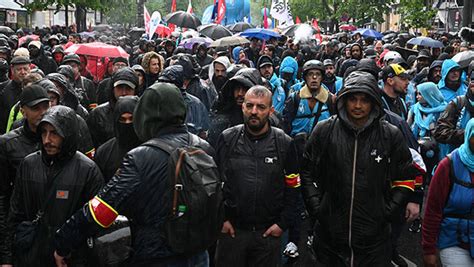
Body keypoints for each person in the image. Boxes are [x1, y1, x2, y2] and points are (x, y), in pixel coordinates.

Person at [53, 82, 212, 266]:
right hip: (199, 254)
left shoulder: (141, 157)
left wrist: (64, 241)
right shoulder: (203, 147)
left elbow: (102, 208)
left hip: (158, 256)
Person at [301, 71, 417, 266]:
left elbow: (405, 177)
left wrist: (387, 211)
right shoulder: (324, 130)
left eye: (364, 100)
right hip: (330, 237)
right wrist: (317, 207)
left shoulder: (390, 135)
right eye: (352, 99)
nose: (357, 105)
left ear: (373, 102)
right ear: (344, 100)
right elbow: (306, 172)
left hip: (374, 240)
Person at [3, 105, 104, 266]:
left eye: (54, 133)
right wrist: (6, 258)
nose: (47, 140)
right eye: (44, 132)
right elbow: (15, 214)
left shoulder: (88, 171)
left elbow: (93, 224)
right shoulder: (29, 164)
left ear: (68, 134)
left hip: (67, 259)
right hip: (30, 256)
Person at [214, 85, 299, 266]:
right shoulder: (227, 138)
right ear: (242, 106)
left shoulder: (284, 143)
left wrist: (282, 224)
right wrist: (221, 218)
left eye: (261, 107)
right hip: (233, 233)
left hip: (267, 235)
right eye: (250, 105)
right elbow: (213, 182)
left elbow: (294, 186)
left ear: (271, 110)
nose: (254, 111)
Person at [423, 118, 474, 267]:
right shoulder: (449, 165)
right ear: (468, 135)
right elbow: (433, 209)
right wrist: (429, 250)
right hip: (455, 241)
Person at [87, 67, 139, 148]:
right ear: (113, 89)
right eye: (120, 88)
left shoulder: (142, 113)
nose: (124, 92)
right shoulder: (98, 114)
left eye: (129, 88)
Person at [282, 60, 335, 137]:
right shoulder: (294, 98)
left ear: (322, 78)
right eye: (310, 74)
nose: (314, 77)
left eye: (318, 74)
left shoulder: (330, 99)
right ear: (305, 77)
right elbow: (286, 126)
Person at [95, 96, 140, 182]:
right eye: (122, 119)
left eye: (131, 119)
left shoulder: (149, 149)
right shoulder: (104, 152)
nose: (127, 123)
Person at [0, 56, 31, 134]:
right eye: (19, 69)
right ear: (12, 70)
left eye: (25, 69)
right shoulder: (3, 89)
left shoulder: (36, 88)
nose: (23, 72)